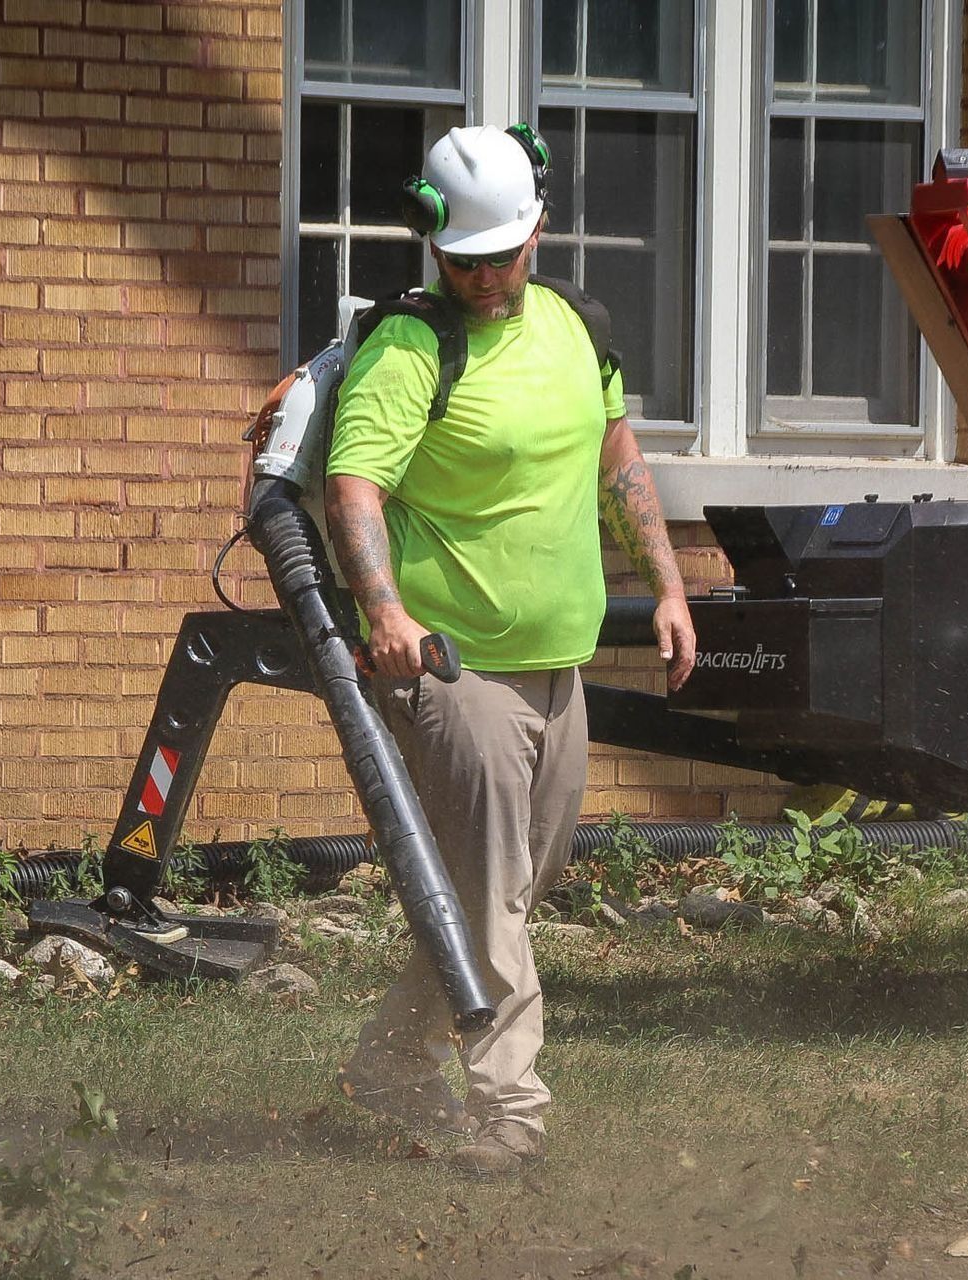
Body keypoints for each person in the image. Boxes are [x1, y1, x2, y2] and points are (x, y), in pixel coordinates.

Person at [324, 122, 696, 1179]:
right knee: (491, 892)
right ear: (436, 247)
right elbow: (356, 488)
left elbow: (615, 445)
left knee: (506, 891)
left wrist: (667, 580)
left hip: (556, 666)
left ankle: (390, 1064)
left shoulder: (578, 324)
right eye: (465, 260)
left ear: (539, 230)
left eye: (505, 254)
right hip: (453, 670)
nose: (486, 277)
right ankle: (512, 1110)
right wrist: (385, 610)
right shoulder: (408, 349)